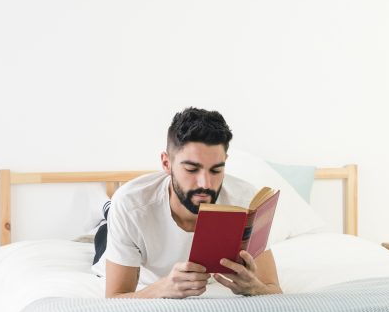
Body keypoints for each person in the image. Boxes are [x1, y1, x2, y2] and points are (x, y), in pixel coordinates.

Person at [91, 107, 282, 299]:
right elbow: (115, 298)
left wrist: (255, 288)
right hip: (133, 249)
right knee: (105, 234)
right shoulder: (130, 206)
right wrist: (163, 288)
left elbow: (273, 289)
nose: (205, 184)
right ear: (166, 163)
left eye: (216, 170)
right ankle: (106, 216)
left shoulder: (246, 201)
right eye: (191, 169)